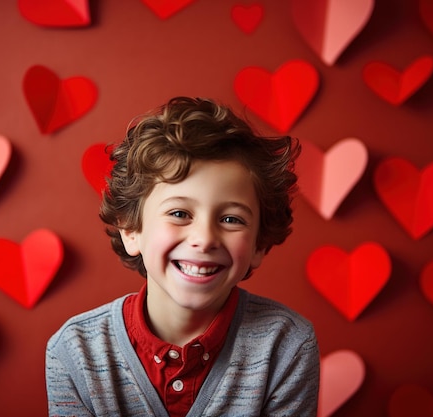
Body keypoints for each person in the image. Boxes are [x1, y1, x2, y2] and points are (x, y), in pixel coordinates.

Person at [45, 97, 319, 416]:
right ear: (132, 230)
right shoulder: (75, 351)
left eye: (231, 219)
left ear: (258, 245)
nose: (204, 239)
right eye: (179, 213)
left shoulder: (287, 346)